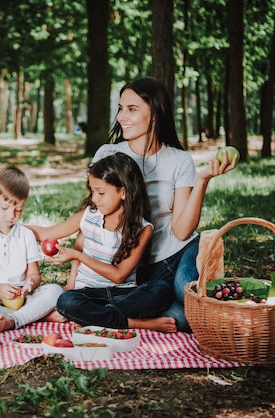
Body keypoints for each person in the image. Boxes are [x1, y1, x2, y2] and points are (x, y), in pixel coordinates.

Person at [91, 77, 237, 332]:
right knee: (179, 317)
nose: (122, 117)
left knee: (185, 290)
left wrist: (202, 179)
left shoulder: (179, 160)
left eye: (132, 109)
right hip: (138, 265)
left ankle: (198, 308)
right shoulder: (107, 154)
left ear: (155, 113)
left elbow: (181, 231)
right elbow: (92, 216)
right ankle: (180, 313)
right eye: (121, 108)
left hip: (176, 252)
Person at [31, 153, 176, 331]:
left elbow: (119, 275)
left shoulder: (142, 228)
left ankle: (95, 318)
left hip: (123, 294)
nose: (94, 198)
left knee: (161, 290)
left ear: (123, 191)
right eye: (92, 191)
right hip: (89, 292)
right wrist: (7, 225)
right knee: (66, 301)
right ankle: (135, 323)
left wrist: (77, 255)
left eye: (101, 192)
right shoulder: (89, 215)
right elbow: (47, 233)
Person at [0, 165, 65, 333]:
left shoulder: (26, 235)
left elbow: (34, 274)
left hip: (22, 296)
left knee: (55, 290)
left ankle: (14, 319)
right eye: (4, 208)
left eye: (18, 210)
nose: (11, 215)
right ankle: (38, 316)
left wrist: (31, 283)